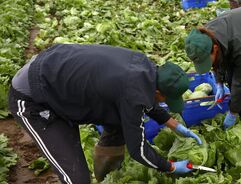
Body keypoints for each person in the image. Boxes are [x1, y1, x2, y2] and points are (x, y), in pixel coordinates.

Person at [8, 44, 202, 183]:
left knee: (119, 123)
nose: (163, 103)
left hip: (60, 80)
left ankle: (106, 175)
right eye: (165, 99)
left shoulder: (145, 68)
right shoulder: (133, 93)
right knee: (77, 178)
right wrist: (171, 167)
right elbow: (138, 150)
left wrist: (175, 125)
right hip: (34, 98)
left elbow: (146, 99)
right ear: (158, 91)